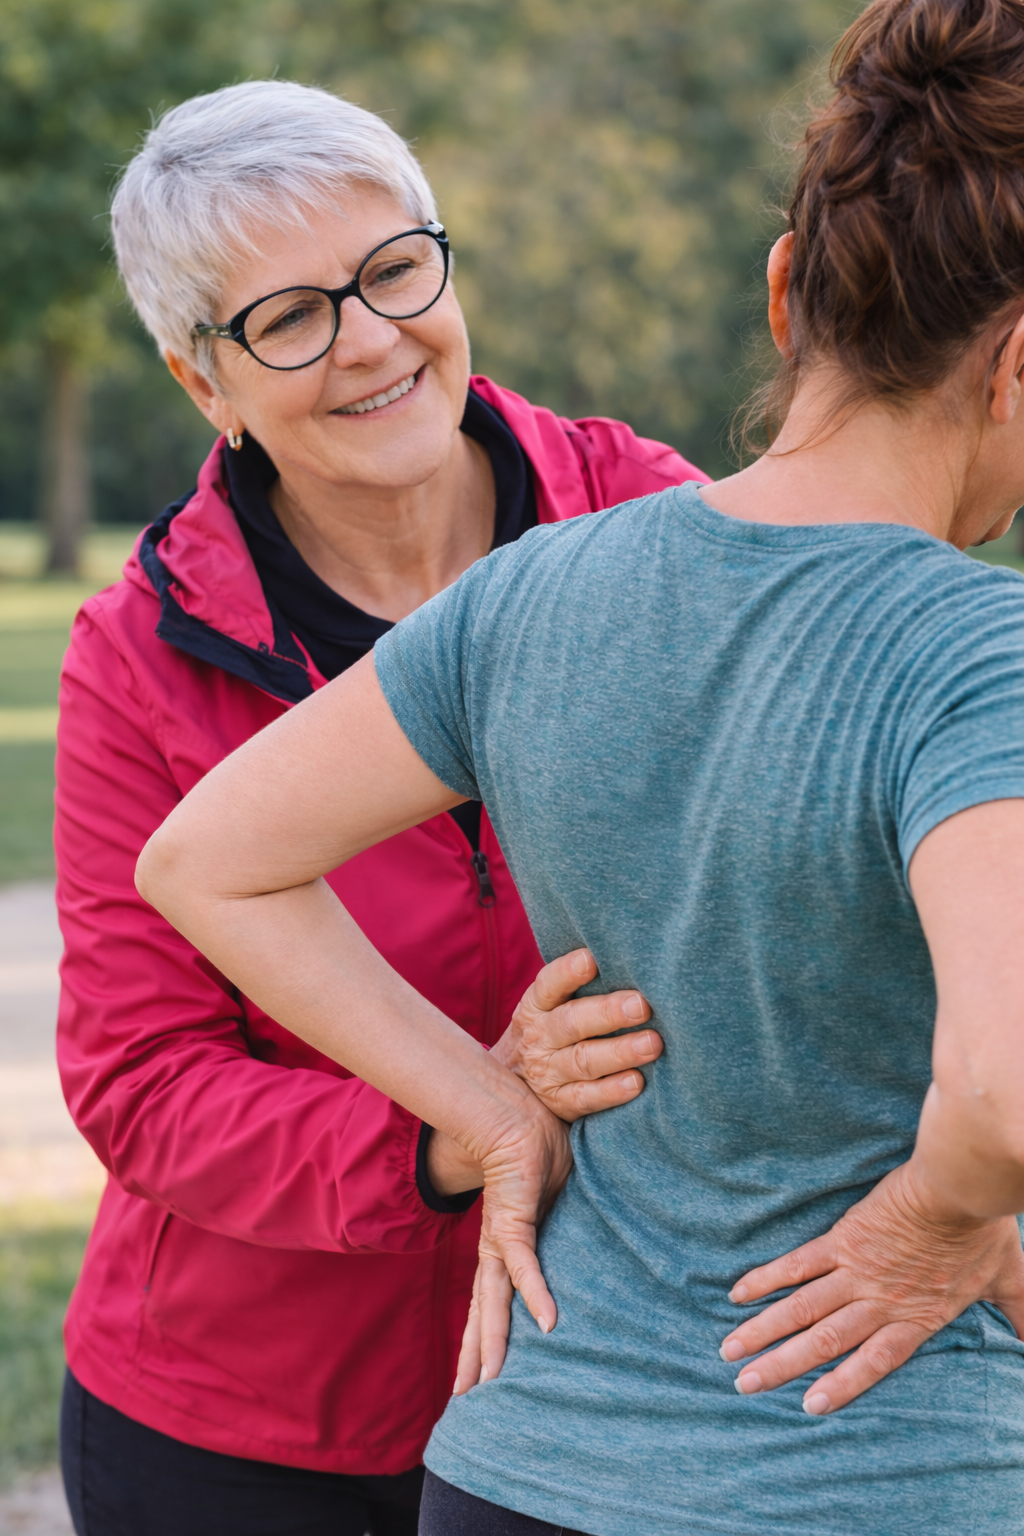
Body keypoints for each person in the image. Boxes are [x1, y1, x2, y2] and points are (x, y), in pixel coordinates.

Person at [136, 2, 1024, 1532]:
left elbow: (205, 860)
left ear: (782, 289)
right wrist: (937, 1219)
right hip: (872, 1479)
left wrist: (491, 1112)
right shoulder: (975, 651)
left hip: (516, 1470)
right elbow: (1005, 1091)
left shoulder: (532, 591)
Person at [53, 78, 709, 1535]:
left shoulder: (649, 521)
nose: (370, 340)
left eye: (394, 270)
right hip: (242, 1431)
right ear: (200, 381)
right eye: (288, 318)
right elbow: (144, 1085)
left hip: (598, 1395)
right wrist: (456, 1126)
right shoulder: (136, 660)